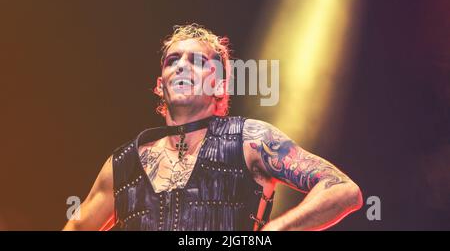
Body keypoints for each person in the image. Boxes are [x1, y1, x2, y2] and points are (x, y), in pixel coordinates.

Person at [63, 23, 362, 231]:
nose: (181, 66)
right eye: (172, 60)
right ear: (159, 86)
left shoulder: (251, 141)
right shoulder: (123, 165)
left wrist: (277, 229)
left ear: (219, 83)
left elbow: (343, 190)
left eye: (196, 60)